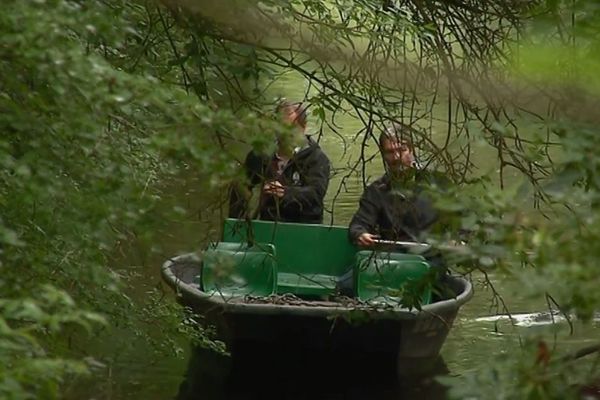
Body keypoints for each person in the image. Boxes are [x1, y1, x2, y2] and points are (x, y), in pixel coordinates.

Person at [228, 100, 331, 224]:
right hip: (268, 224)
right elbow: (240, 188)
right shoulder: (261, 155)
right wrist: (238, 223)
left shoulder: (316, 158)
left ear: (303, 128)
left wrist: (285, 192)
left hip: (305, 227)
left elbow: (315, 194)